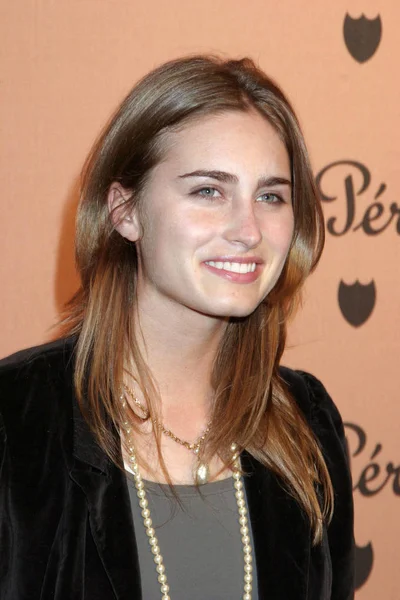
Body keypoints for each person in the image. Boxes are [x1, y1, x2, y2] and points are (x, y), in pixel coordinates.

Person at [0, 55, 354, 600]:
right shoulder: (15, 419)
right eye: (209, 191)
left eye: (270, 196)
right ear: (125, 211)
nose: (248, 231)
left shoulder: (307, 420)